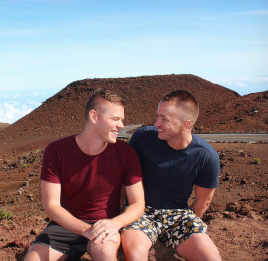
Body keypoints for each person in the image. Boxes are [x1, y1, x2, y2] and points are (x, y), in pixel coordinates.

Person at [24, 90, 145, 261]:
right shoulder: (56, 151)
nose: (121, 126)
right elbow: (51, 206)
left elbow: (138, 203)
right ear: (94, 117)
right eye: (115, 119)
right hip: (65, 225)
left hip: (105, 225)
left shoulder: (126, 153)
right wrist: (85, 230)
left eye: (121, 120)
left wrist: (115, 224)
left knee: (105, 255)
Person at [121, 89, 222, 261]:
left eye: (164, 119)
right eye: (157, 116)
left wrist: (183, 230)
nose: (156, 123)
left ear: (185, 125)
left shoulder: (206, 156)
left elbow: (203, 202)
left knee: (211, 257)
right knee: (135, 255)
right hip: (141, 211)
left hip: (179, 216)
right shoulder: (142, 138)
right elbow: (124, 179)